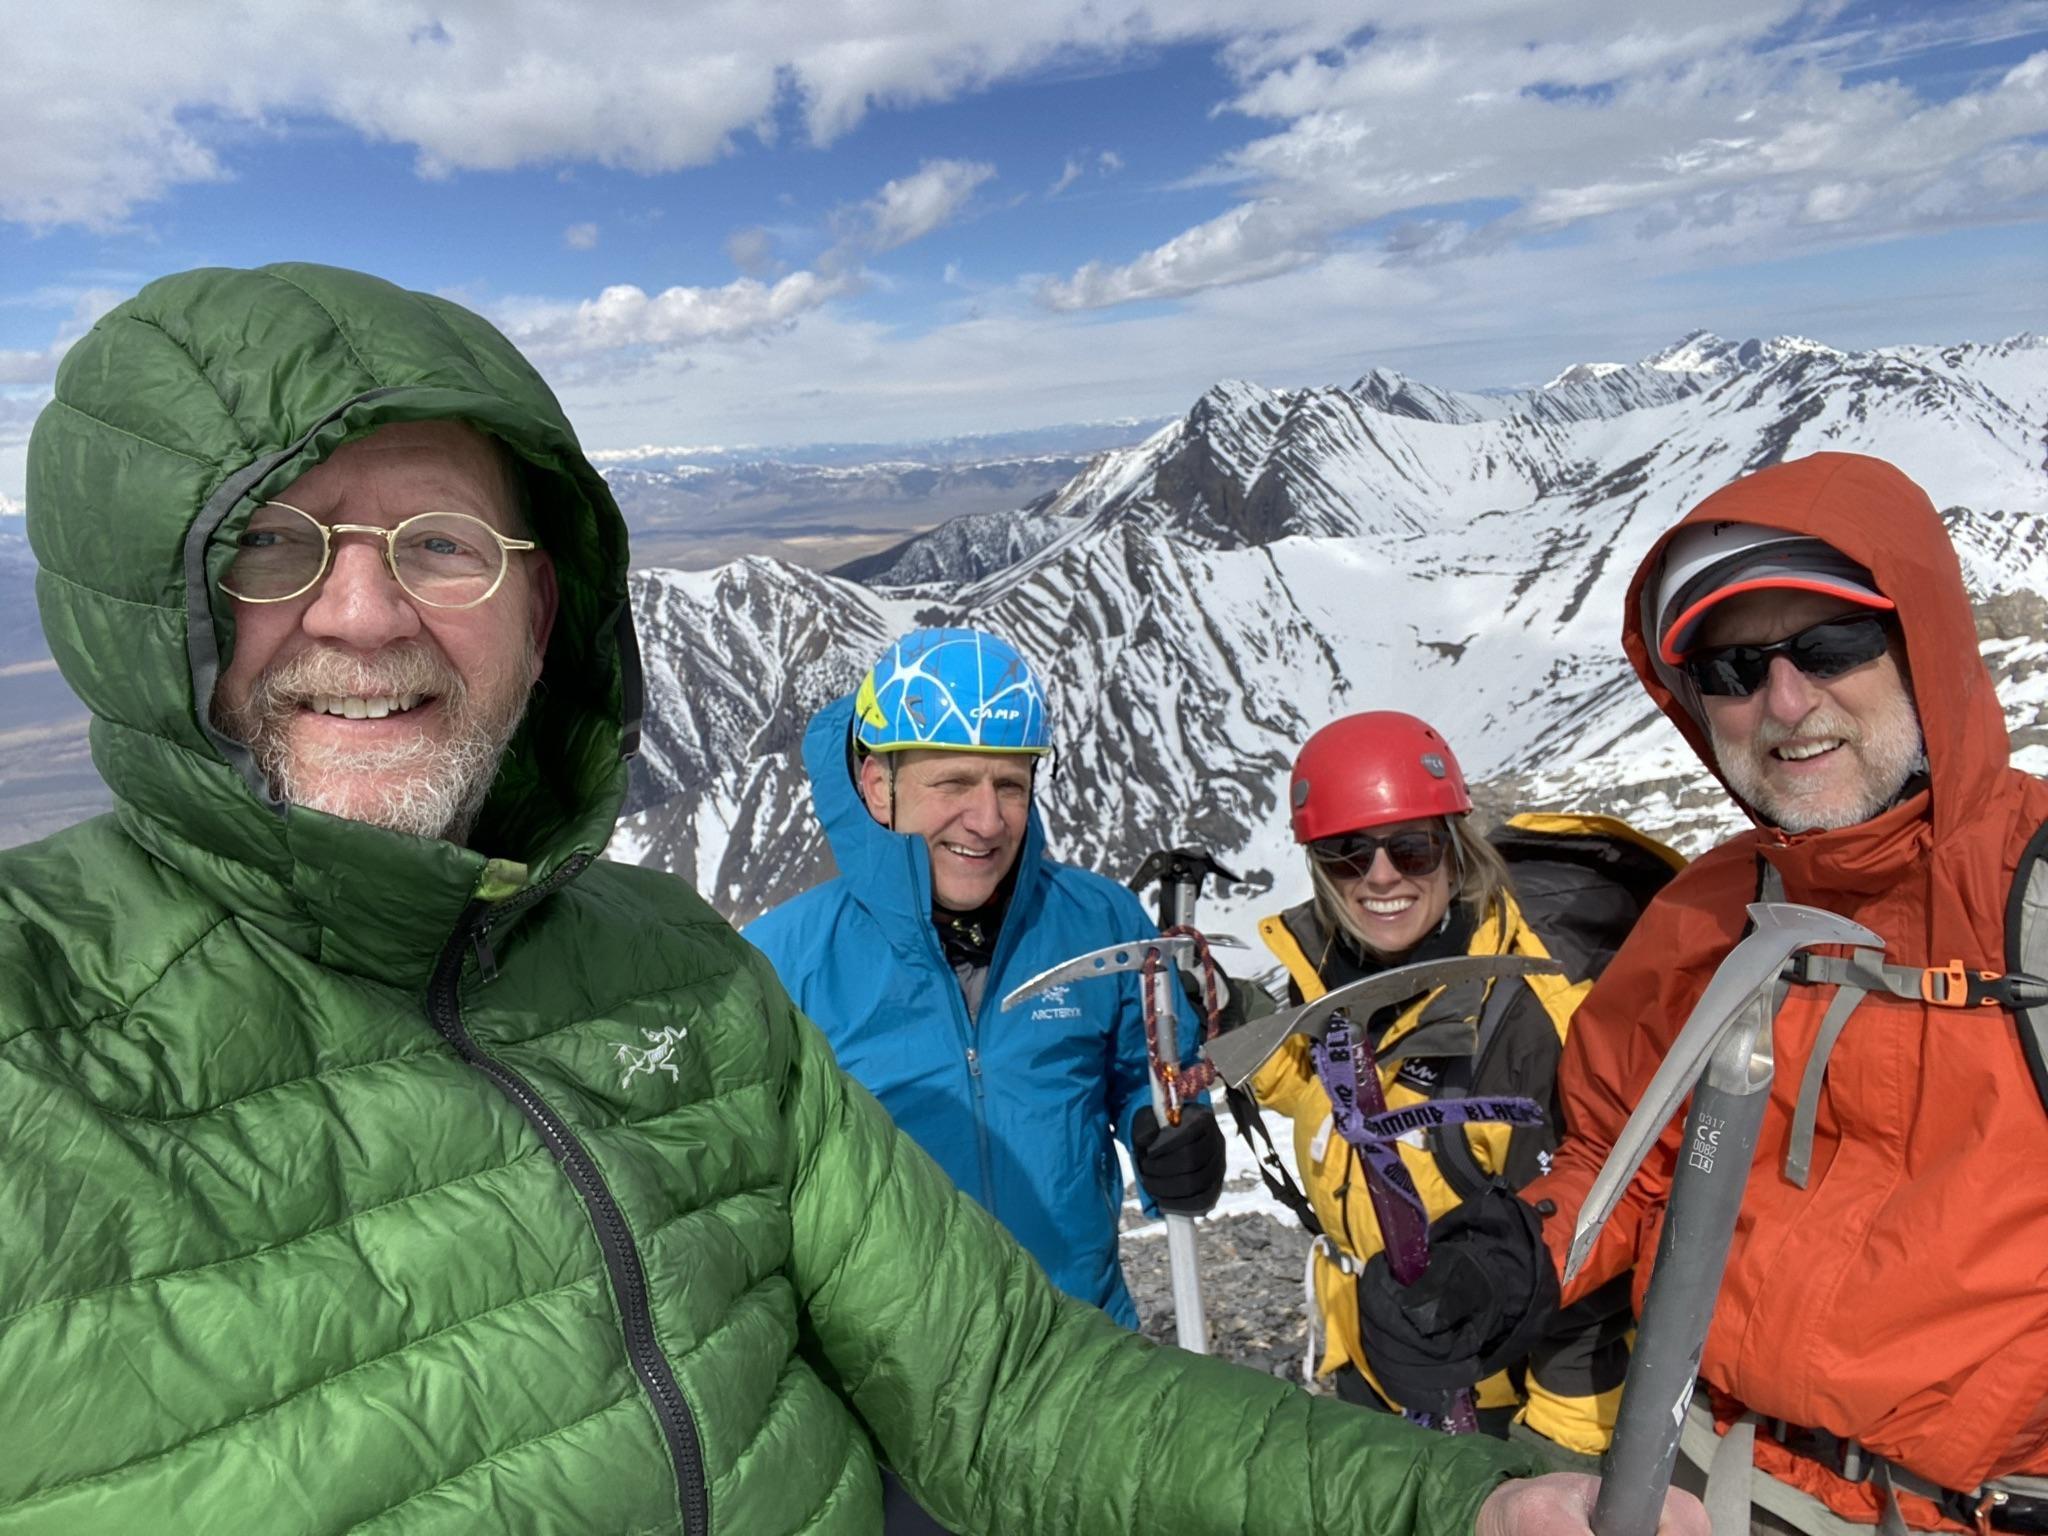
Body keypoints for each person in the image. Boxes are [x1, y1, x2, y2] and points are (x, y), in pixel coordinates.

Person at [0, 261, 1703, 1535]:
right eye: (272, 546)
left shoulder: (718, 967)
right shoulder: (768, 961)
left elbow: (1021, 1352)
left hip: (1061, 1383)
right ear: (873, 786)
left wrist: (1181, 1160)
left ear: (539, 607)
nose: (363, 615)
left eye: (443, 544)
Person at [1501, 452, 2047, 1533]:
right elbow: (1618, 1165)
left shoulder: (2030, 897)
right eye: (1731, 670)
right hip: (1703, 1480)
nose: (1784, 703)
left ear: (1920, 645)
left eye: (1830, 645)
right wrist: (1517, 1256)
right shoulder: (1710, 912)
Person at [745, 626, 1224, 1342]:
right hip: (891, 1379)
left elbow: (1147, 1079)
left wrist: (1168, 1136)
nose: (988, 819)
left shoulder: (1102, 926)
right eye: (953, 783)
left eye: (1010, 784)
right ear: (879, 787)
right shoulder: (785, 964)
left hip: (1080, 1346)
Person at [1245, 711, 1680, 1458]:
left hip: (1491, 1416)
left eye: (1410, 848)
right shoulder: (1336, 974)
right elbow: (1336, 1095)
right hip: (1375, 1375)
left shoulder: (1531, 1021)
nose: (1381, 877)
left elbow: (1591, 1265)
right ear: (1319, 866)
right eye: (1348, 853)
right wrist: (1235, 1032)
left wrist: (1551, 1461)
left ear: (1453, 848)